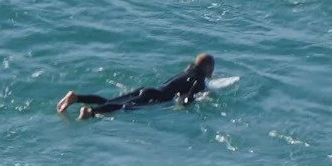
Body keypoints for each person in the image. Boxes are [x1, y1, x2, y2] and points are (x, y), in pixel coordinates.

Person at [57, 54, 216, 120]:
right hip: (154, 97)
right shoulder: (199, 80)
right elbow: (189, 97)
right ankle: (91, 112)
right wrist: (185, 105)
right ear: (208, 68)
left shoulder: (187, 71)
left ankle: (77, 98)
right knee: (124, 107)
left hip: (148, 89)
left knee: (111, 101)